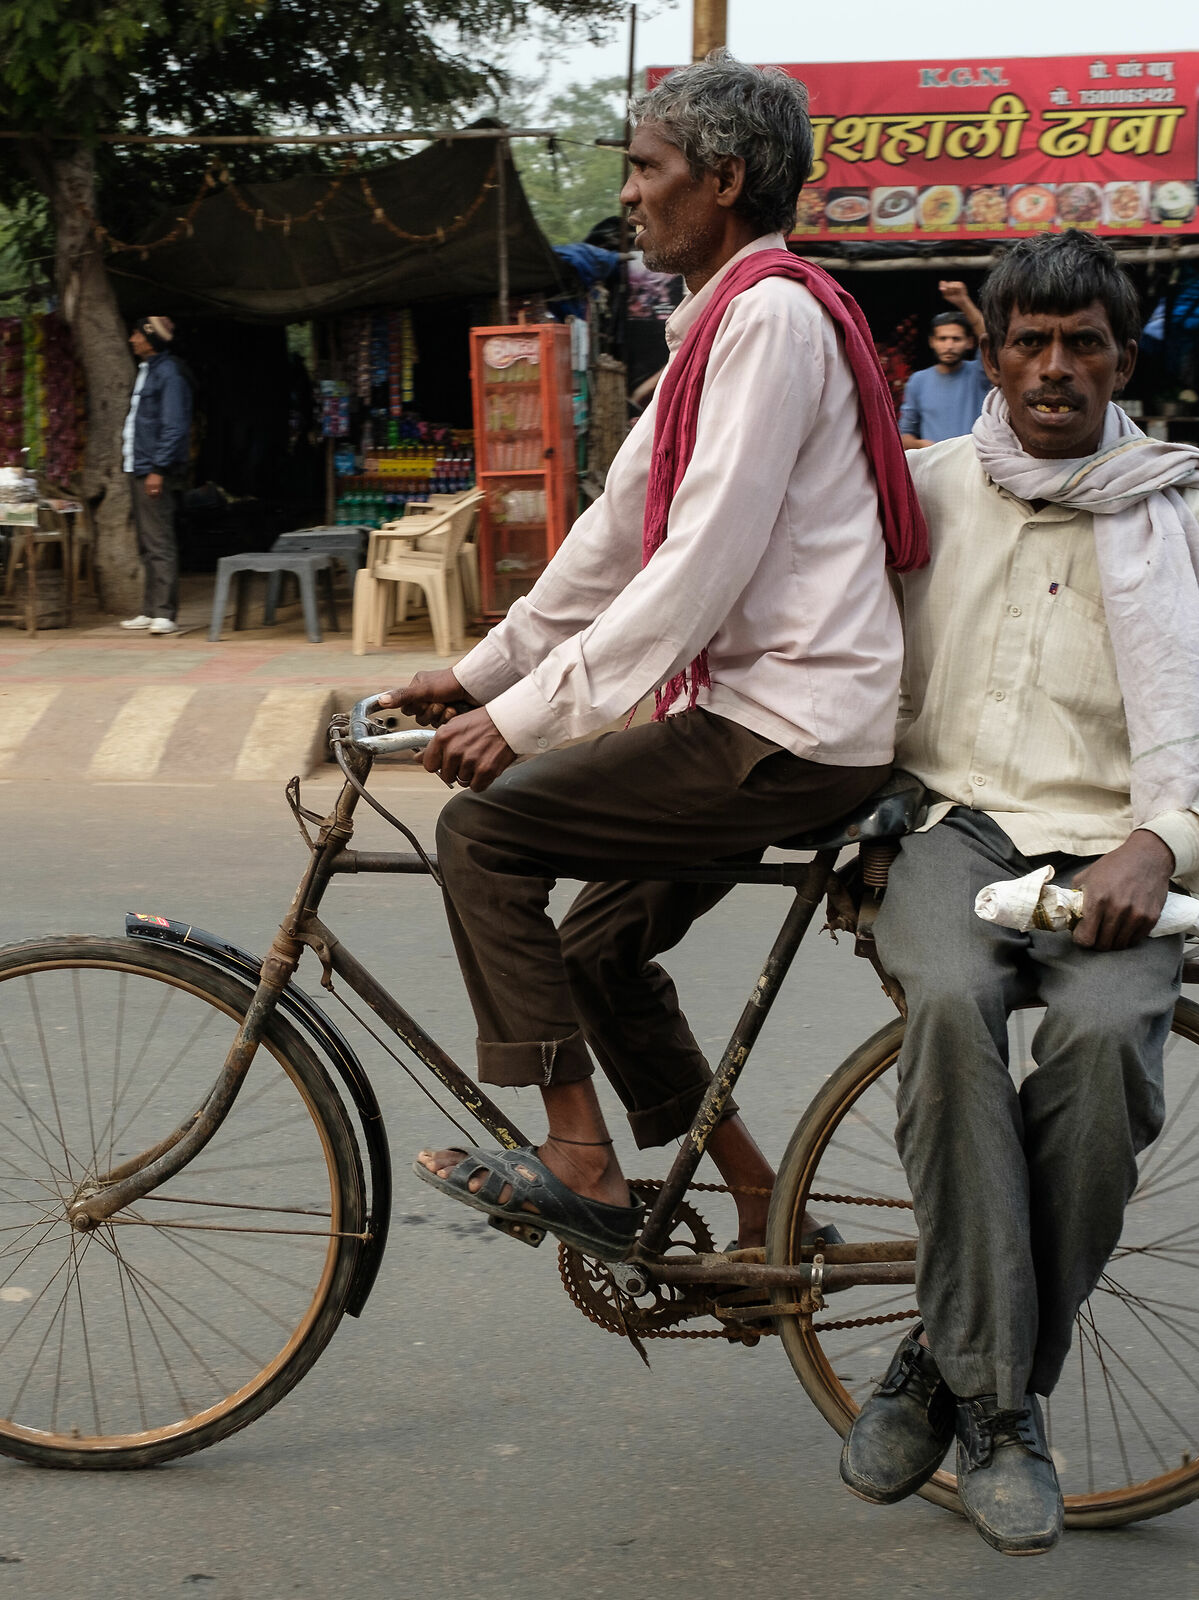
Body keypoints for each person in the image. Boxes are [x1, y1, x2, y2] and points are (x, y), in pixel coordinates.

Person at [380, 53, 929, 1270]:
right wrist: (479, 675)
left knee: (486, 836)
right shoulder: (715, 329)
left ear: (723, 181)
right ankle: (759, 1204)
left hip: (783, 726)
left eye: (648, 168)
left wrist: (525, 720)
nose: (628, 195)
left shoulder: (773, 318)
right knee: (593, 951)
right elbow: (614, 538)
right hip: (758, 715)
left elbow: (698, 567)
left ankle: (580, 1162)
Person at [837, 228, 1199, 1556]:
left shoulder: (1189, 509)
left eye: (1085, 344)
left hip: (1118, 855)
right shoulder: (925, 488)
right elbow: (842, 669)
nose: (1055, 367)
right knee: (954, 1013)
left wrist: (1162, 842)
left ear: (1120, 361)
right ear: (993, 353)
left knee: (1100, 1060)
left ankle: (946, 1365)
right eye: (1031, 339)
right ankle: (1007, 1412)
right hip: (953, 830)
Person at [119, 315, 193, 636]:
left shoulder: (170, 374)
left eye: (137, 333)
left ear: (151, 339)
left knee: (159, 540)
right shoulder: (148, 371)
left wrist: (158, 469)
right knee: (147, 542)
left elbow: (174, 426)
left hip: (153, 469)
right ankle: (150, 610)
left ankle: (165, 612)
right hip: (139, 466)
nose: (132, 338)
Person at [896, 283, 991, 449]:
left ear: (970, 343)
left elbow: (989, 338)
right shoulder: (918, 381)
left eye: (956, 339)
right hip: (934, 464)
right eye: (942, 339)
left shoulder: (979, 372)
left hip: (975, 462)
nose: (949, 346)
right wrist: (921, 444)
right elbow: (904, 434)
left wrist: (964, 302)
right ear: (932, 342)